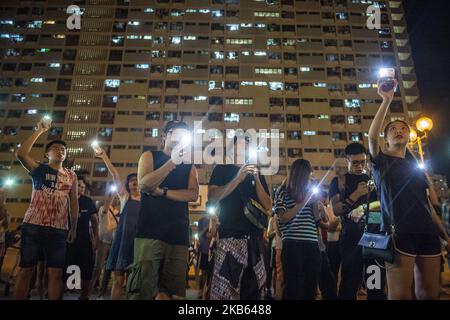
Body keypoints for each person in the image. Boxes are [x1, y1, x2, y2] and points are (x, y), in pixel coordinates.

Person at [368, 78, 450, 300]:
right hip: (399, 233)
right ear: (387, 138)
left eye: (403, 128)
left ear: (409, 137)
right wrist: (386, 100)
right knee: (400, 295)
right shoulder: (381, 161)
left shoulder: (416, 167)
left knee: (429, 294)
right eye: (392, 129)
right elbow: (372, 137)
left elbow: (428, 206)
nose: (398, 130)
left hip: (428, 233)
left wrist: (445, 235)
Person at [127, 120, 199, 300]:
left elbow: (192, 195)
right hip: (150, 231)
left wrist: (162, 192)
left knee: (173, 292)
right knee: (143, 288)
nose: (179, 138)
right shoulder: (150, 156)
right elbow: (144, 184)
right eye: (175, 133)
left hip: (178, 234)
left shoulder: (190, 167)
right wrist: (171, 163)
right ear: (165, 135)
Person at [14, 119, 78, 300]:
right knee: (26, 269)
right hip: (33, 225)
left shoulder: (71, 176)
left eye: (63, 149)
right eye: (56, 148)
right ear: (47, 153)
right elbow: (21, 154)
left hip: (59, 228)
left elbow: (74, 203)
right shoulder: (39, 169)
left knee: (56, 273)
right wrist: (39, 131)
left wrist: (73, 227)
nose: (61, 150)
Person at [208, 134, 271, 300]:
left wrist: (256, 178)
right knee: (226, 290)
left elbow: (268, 205)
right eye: (240, 145)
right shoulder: (221, 169)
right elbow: (213, 196)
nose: (244, 148)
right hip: (231, 237)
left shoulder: (258, 174)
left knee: (254, 290)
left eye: (247, 146)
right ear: (232, 149)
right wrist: (238, 178)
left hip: (256, 240)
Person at [329, 142, 385, 300]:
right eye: (355, 162)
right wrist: (356, 194)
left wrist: (364, 213)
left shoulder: (373, 180)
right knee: (349, 284)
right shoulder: (339, 182)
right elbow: (336, 210)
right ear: (347, 160)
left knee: (375, 285)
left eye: (363, 161)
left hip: (373, 239)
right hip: (350, 240)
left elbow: (382, 209)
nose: (359, 166)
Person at [96, 148, 141, 300]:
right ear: (127, 185)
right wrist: (103, 156)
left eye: (137, 180)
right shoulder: (124, 197)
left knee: (134, 284)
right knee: (118, 281)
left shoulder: (148, 200)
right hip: (123, 242)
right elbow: (115, 174)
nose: (134, 182)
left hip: (138, 243)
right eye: (131, 180)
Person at [273, 159, 321, 300]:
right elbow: (283, 217)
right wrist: (304, 201)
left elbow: (317, 220)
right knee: (294, 288)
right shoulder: (283, 190)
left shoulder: (309, 191)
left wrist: (316, 204)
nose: (310, 177)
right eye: (308, 174)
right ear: (300, 174)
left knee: (310, 288)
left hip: (312, 243)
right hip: (292, 244)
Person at [65, 177, 98, 300]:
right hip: (67, 240)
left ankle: (84, 296)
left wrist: (95, 238)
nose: (82, 187)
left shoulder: (88, 201)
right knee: (64, 269)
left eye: (83, 186)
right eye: (79, 185)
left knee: (86, 270)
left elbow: (95, 221)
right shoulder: (65, 199)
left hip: (84, 240)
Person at [92, 193, 120, 298]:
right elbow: (105, 212)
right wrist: (108, 200)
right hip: (102, 242)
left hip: (112, 243)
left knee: (108, 269)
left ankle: (101, 292)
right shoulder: (103, 209)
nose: (116, 200)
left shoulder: (119, 213)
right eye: (114, 198)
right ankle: (88, 290)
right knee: (98, 268)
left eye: (117, 198)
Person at [327, 159, 346, 283]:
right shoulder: (328, 208)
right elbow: (331, 226)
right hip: (333, 241)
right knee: (333, 270)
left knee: (348, 271)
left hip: (349, 237)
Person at [317, 191, 338, 300]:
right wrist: (332, 225)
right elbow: (323, 222)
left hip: (296, 245)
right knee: (326, 276)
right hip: (317, 245)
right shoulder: (317, 204)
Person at [267, 214, 283, 300]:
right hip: (276, 246)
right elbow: (268, 234)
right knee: (277, 271)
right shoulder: (273, 218)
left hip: (285, 245)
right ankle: (276, 294)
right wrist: (276, 231)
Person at [197, 215, 211, 298]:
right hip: (204, 250)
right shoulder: (202, 219)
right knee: (204, 272)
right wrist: (207, 225)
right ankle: (200, 291)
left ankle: (208, 292)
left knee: (211, 273)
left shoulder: (217, 219)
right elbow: (199, 234)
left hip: (213, 250)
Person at [0, 187, 9, 279]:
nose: (2, 196)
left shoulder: (4, 209)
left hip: (1, 239)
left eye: (3, 194)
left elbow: (6, 226)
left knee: (1, 259)